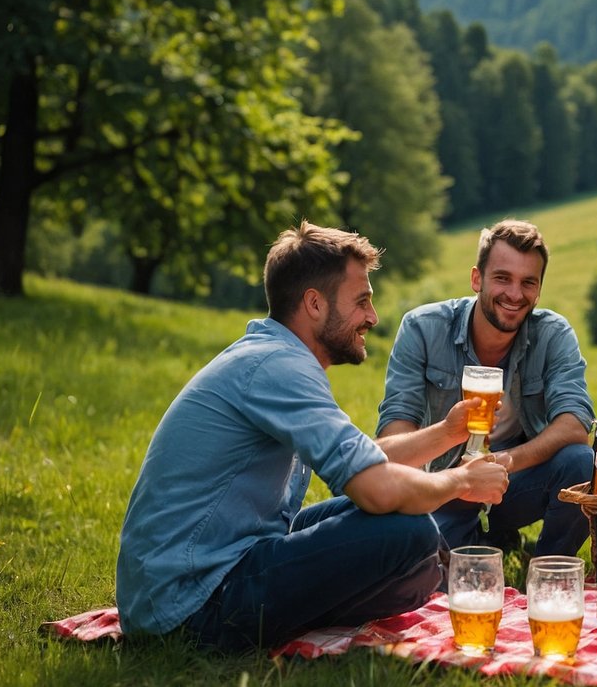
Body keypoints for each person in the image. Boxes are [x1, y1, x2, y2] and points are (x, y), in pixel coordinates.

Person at [116, 222, 512, 652]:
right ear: (314, 304)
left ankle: (330, 596)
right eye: (362, 302)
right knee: (409, 532)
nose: (372, 318)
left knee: (414, 545)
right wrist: (463, 483)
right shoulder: (278, 368)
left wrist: (449, 432)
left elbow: (368, 460)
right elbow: (377, 489)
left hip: (218, 561)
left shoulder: (275, 355)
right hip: (189, 603)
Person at [377, 219, 594, 559]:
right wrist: (456, 478)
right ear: (476, 279)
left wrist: (501, 462)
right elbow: (392, 438)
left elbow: (575, 424)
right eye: (502, 278)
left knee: (582, 463)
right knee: (430, 572)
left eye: (528, 283)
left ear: (539, 289)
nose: (515, 294)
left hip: (515, 479)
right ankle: (486, 539)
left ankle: (547, 568)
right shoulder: (422, 328)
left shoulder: (553, 334)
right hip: (446, 486)